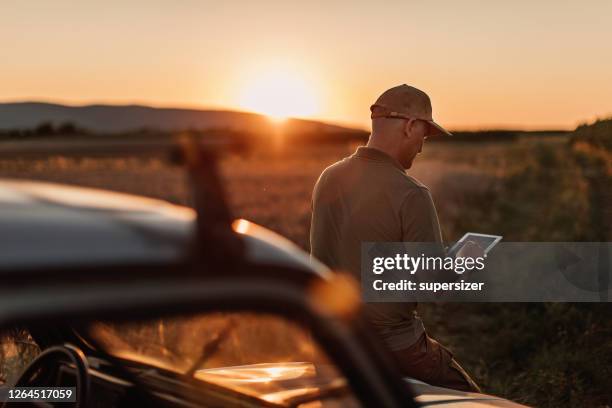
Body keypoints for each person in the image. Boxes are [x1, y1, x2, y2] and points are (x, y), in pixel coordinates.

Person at [310, 84, 481, 392]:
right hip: (395, 348)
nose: (422, 147)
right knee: (477, 401)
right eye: (423, 135)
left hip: (330, 344)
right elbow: (436, 289)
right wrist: (463, 261)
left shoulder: (328, 177)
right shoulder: (412, 194)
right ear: (410, 126)